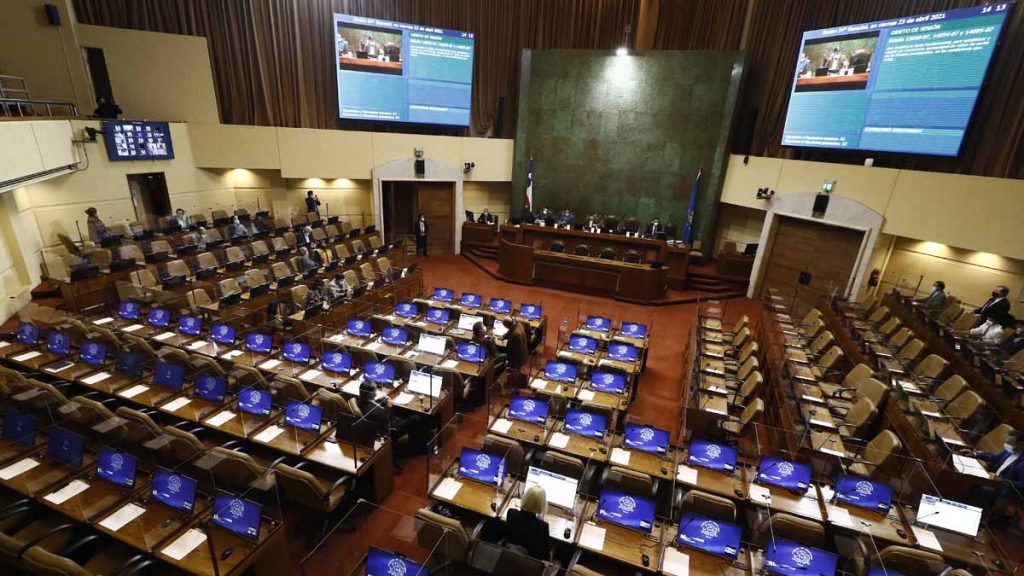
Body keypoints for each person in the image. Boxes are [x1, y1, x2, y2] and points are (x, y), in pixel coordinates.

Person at [976, 431, 1024, 529]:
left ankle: (981, 521)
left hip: (1006, 489)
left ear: (1021, 444)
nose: (1007, 445)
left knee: (981, 489)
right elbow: (995, 458)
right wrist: (976, 454)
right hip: (992, 480)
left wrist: (1000, 480)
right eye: (1007, 442)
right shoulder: (1010, 450)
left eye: (1010, 443)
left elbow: (1022, 485)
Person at [504, 485, 551, 560]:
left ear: (525, 498)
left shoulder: (511, 513)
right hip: (528, 563)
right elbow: (545, 554)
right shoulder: (543, 526)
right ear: (542, 504)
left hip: (507, 555)